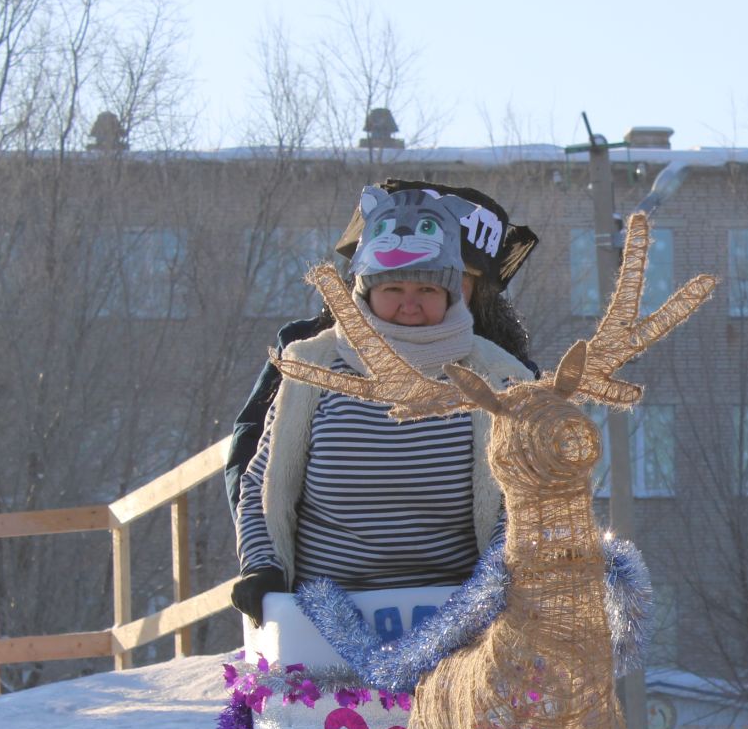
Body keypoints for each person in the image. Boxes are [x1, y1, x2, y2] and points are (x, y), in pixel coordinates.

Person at [230, 184, 537, 624]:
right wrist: (262, 567)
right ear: (367, 287)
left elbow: (524, 498)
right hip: (325, 618)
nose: (409, 304)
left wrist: (499, 586)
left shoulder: (504, 376)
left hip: (456, 619)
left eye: (430, 288)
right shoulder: (309, 364)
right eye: (393, 286)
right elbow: (259, 480)